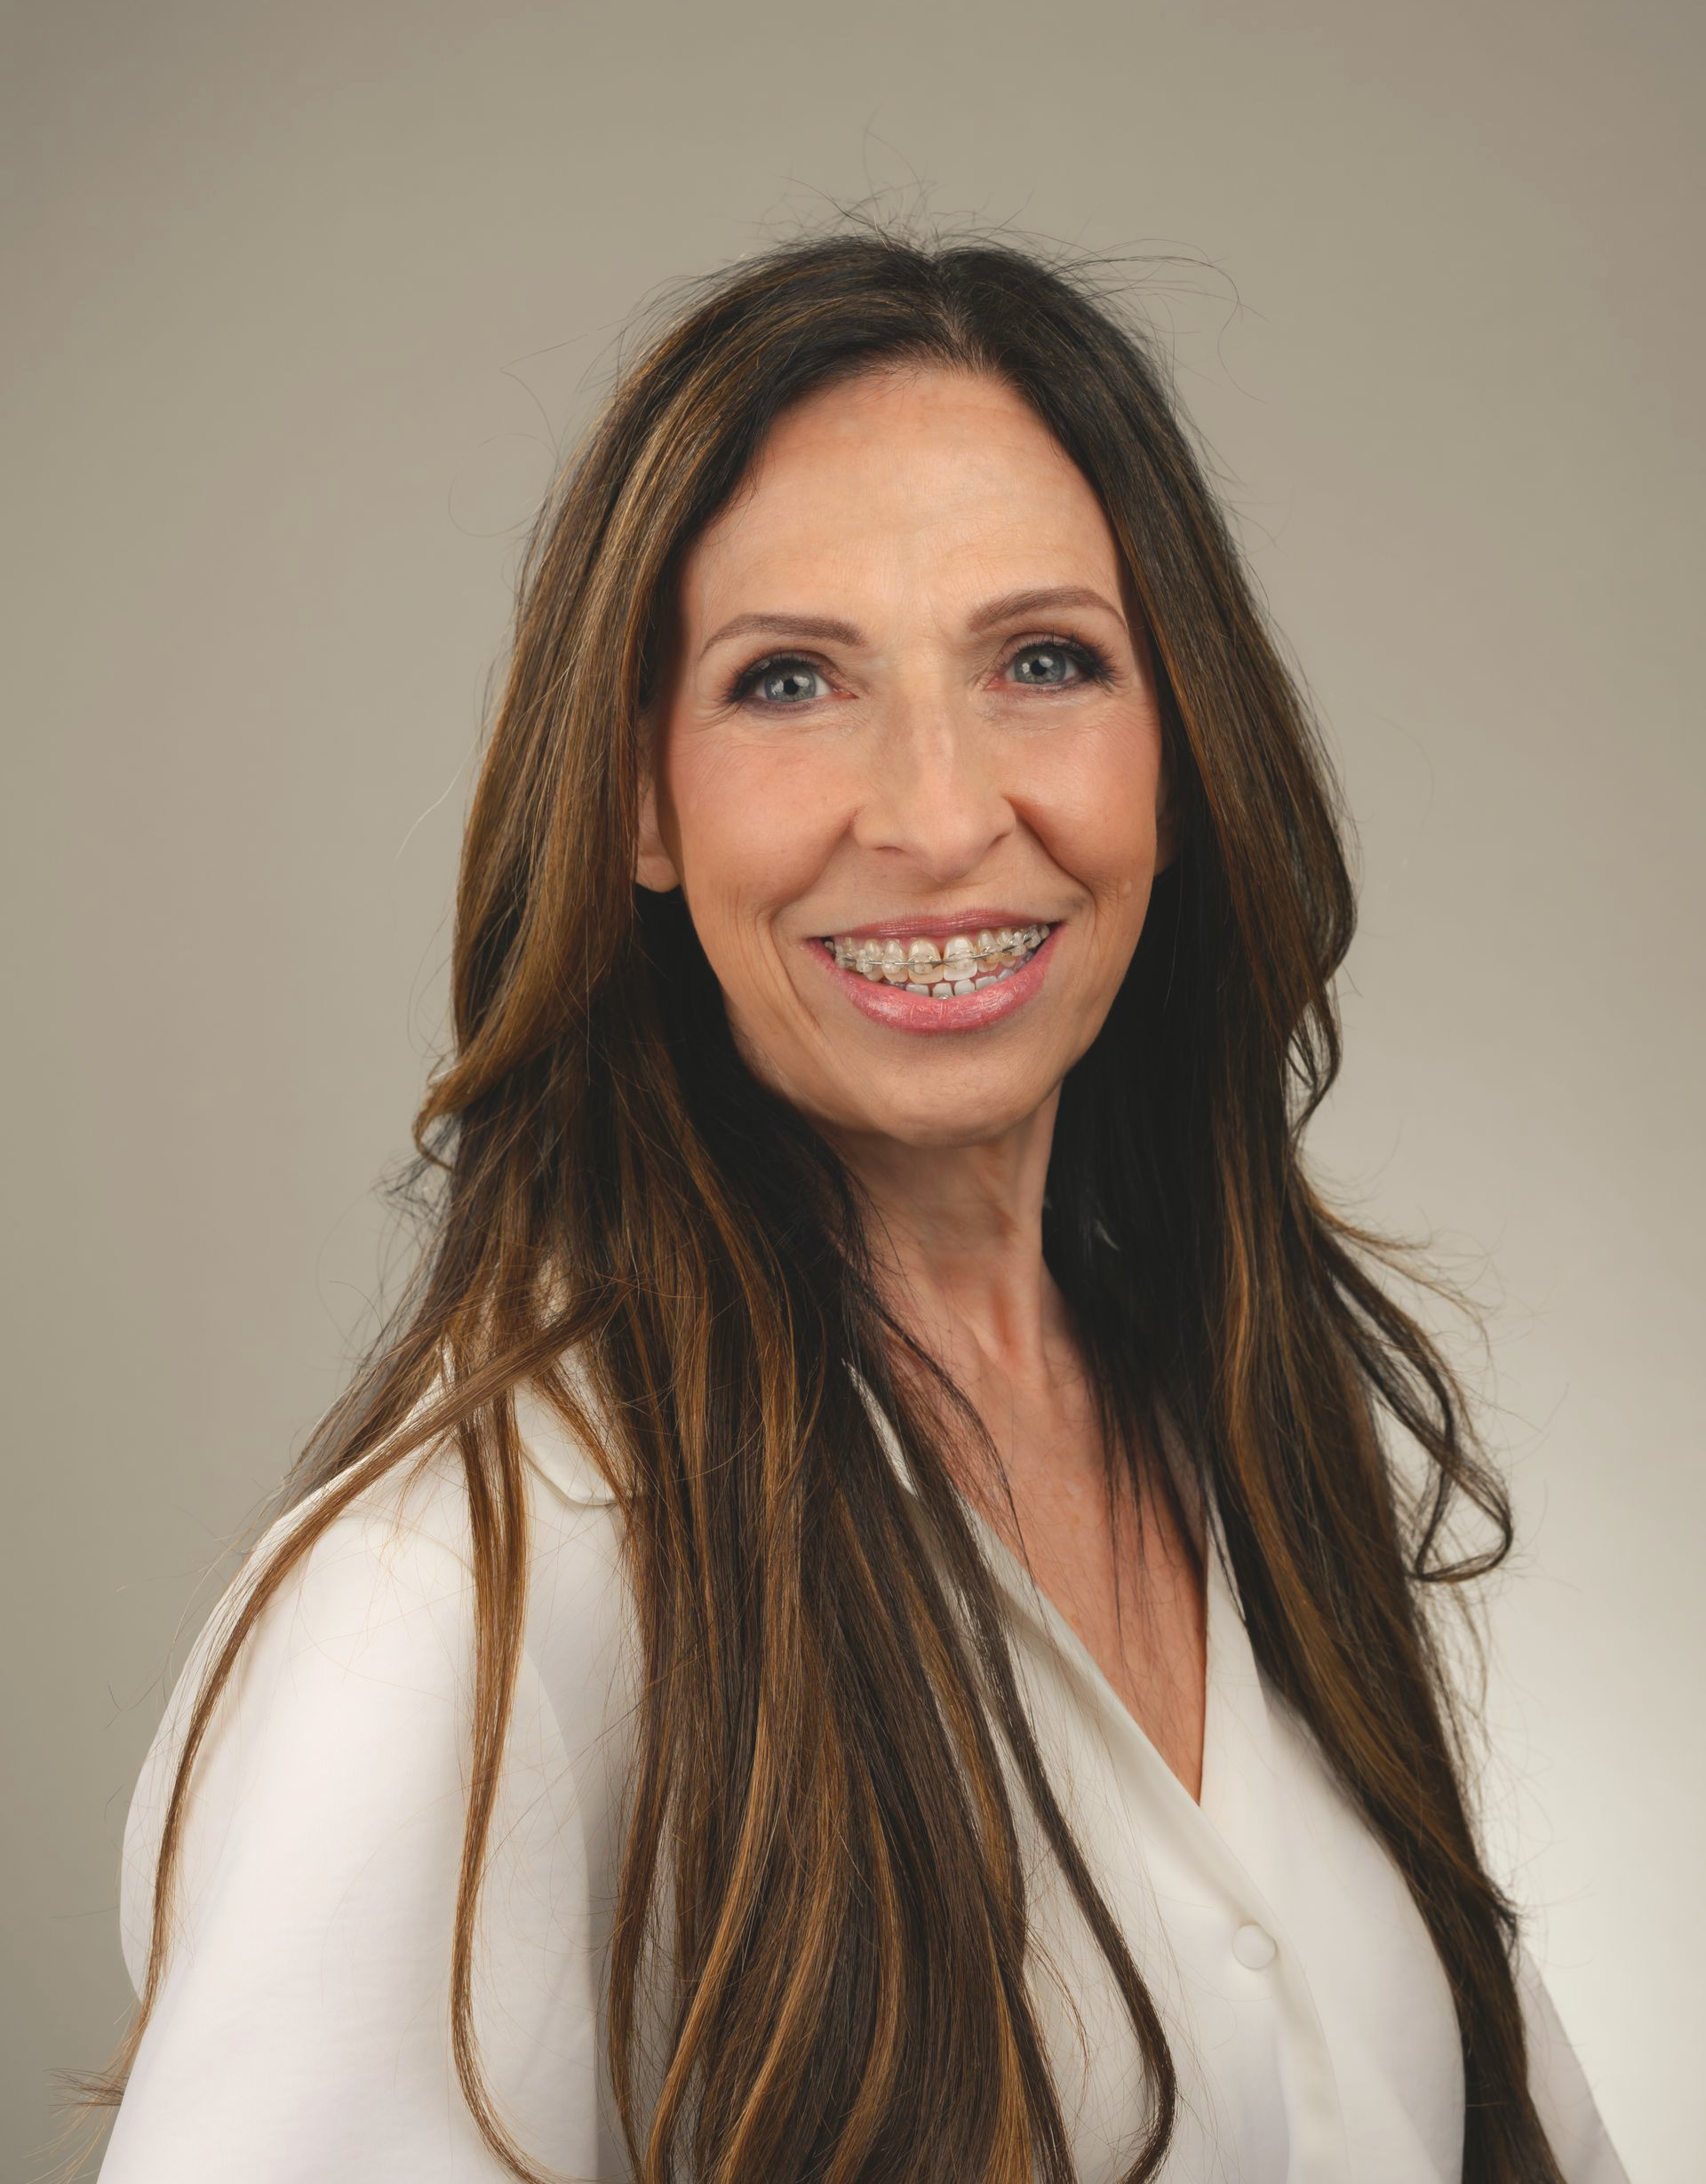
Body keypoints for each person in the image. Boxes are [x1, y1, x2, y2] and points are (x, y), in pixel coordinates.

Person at [94, 228, 1627, 2183]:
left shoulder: (1240, 1428)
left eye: (1044, 660)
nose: (933, 810)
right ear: (641, 803)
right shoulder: (459, 1611)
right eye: (791, 680)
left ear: (1178, 747)